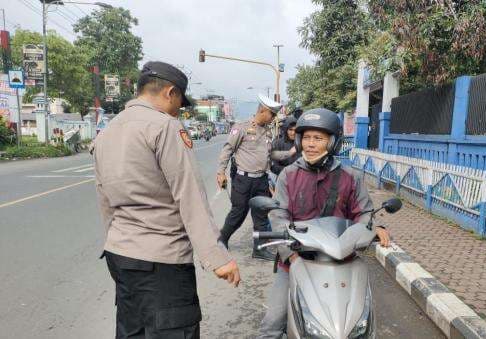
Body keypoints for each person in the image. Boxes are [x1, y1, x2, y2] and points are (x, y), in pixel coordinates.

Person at [93, 61, 240, 339]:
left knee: (131, 331)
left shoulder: (107, 132)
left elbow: (105, 199)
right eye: (180, 104)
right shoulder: (165, 127)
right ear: (170, 93)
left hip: (121, 257)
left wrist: (117, 242)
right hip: (163, 262)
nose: (179, 111)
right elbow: (190, 197)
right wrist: (217, 257)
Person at [256, 108, 391, 338]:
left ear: (332, 142)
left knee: (358, 321)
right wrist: (291, 255)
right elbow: (278, 216)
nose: (310, 144)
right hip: (297, 260)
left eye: (318, 138)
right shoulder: (288, 175)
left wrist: (373, 226)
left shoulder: (350, 177)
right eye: (306, 137)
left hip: (342, 262)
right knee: (272, 324)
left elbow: (364, 212)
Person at [216, 94, 293, 260]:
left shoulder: (267, 132)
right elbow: (228, 149)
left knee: (260, 214)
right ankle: (222, 240)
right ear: (263, 110)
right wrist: (221, 172)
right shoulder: (242, 127)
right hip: (243, 180)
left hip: (261, 180)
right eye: (272, 114)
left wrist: (290, 153)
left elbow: (271, 154)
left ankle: (259, 249)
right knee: (239, 213)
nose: (273, 118)